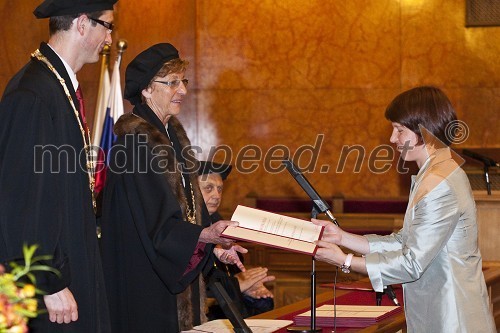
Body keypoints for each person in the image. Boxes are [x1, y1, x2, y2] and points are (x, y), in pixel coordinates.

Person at [312, 86, 496, 332]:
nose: (392, 138)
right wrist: (344, 237)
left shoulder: (439, 182)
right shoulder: (435, 172)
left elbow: (412, 263)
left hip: (452, 318)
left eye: (399, 130)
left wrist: (344, 261)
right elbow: (406, 241)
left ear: (425, 130)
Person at [99, 43, 245, 332]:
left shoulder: (173, 139)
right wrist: (202, 236)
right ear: (146, 89)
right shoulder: (135, 146)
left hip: (170, 269)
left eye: (183, 81)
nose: (183, 90)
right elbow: (155, 223)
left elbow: (190, 209)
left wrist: (211, 246)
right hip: (145, 280)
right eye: (172, 82)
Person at [0, 1, 116, 332]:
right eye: (107, 26)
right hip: (50, 290)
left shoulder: (57, 86)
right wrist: (47, 280)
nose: (109, 39)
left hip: (72, 267)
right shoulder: (33, 93)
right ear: (83, 24)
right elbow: (19, 201)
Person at [198, 161, 275, 319]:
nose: (217, 195)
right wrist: (237, 285)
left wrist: (250, 288)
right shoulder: (184, 231)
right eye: (209, 188)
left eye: (220, 189)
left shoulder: (220, 226)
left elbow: (231, 278)